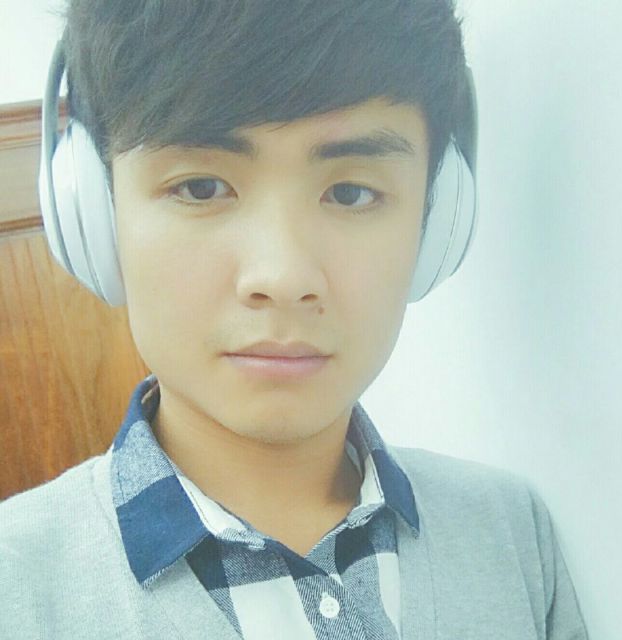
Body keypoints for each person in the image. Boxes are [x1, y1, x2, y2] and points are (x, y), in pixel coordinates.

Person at [0, 1, 589, 638]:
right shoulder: (17, 582)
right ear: (93, 214)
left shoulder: (512, 535)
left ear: (440, 217)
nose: (282, 277)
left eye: (351, 193)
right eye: (201, 187)